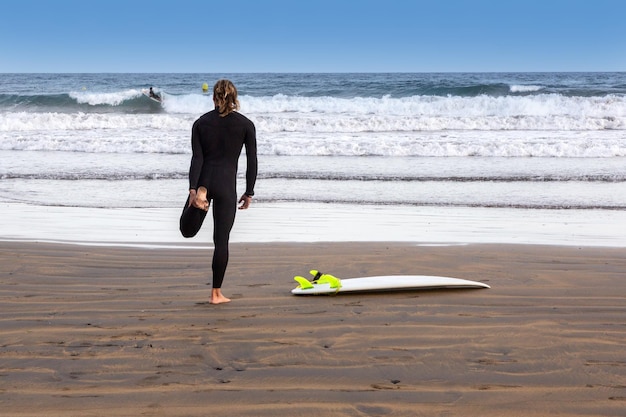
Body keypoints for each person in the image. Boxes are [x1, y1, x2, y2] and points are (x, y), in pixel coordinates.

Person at [179, 79, 258, 304]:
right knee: (221, 241)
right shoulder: (245, 125)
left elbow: (197, 158)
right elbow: (252, 160)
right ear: (234, 97)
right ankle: (216, 294)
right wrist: (249, 191)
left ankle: (201, 197)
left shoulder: (201, 123)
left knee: (186, 231)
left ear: (214, 97)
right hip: (226, 186)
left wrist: (193, 188)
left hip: (204, 179)